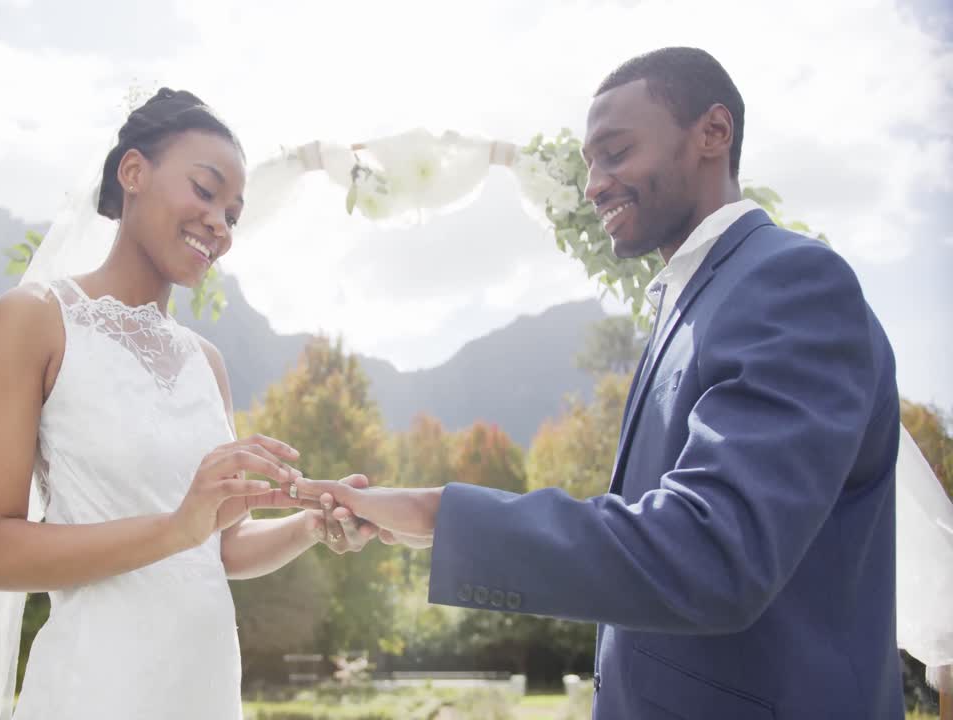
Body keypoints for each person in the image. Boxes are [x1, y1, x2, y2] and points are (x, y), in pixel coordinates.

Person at [296, 47, 919, 718]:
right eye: (590, 163)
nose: (593, 183)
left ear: (713, 134)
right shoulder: (687, 306)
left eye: (616, 153)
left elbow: (713, 552)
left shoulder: (791, 283)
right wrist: (429, 527)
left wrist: (439, 514)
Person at [0, 88, 374, 720]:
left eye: (233, 213)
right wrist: (175, 527)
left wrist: (310, 522)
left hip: (206, 692)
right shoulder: (35, 321)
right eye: (204, 190)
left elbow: (216, 549)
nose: (220, 224)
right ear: (133, 173)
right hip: (95, 690)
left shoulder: (209, 364)